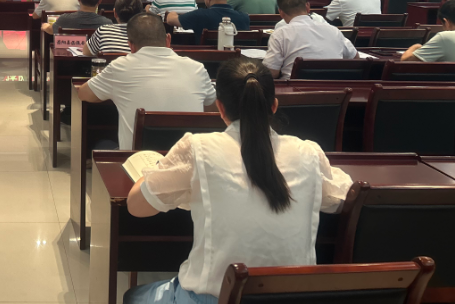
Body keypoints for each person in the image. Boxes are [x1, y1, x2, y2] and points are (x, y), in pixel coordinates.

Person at [122, 58, 353, 304]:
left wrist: (153, 172)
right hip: (292, 298)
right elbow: (342, 198)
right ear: (274, 106)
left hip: (214, 298)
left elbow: (137, 207)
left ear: (220, 108)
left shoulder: (197, 148)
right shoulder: (308, 153)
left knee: (135, 296)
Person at [77, 13, 216, 149]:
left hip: (137, 161)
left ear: (131, 46)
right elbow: (212, 106)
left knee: (102, 144)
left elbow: (83, 94)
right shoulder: (197, 68)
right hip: (187, 160)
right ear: (168, 40)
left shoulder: (120, 67)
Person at [263, 0, 357, 79]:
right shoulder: (333, 30)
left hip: (295, 87)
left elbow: (272, 73)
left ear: (281, 12)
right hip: (334, 87)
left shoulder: (280, 34)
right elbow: (355, 58)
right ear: (308, 7)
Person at [166, 0, 250, 43]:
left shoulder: (199, 15)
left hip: (205, 59)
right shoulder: (244, 18)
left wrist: (172, 13)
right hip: (236, 59)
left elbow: (170, 20)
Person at [44, 0, 111, 35]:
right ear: (100, 1)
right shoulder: (107, 24)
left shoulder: (64, 20)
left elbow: (51, 30)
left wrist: (45, 26)